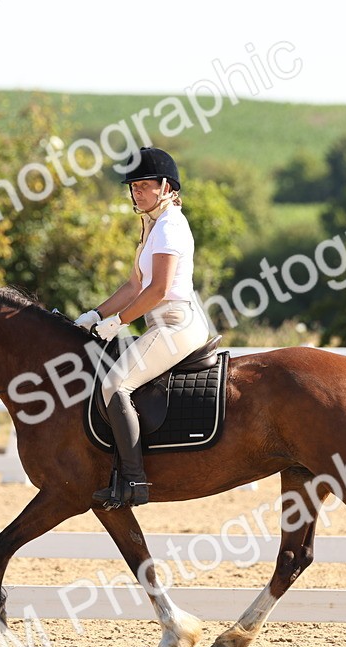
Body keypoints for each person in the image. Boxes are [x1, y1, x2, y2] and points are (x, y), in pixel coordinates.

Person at [73, 147, 210, 508]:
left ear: (167, 187)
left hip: (177, 323)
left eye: (145, 185)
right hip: (158, 321)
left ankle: (134, 480)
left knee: (116, 384)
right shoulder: (151, 226)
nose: (137, 192)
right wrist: (95, 315)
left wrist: (119, 322)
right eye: (133, 186)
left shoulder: (169, 226)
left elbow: (158, 289)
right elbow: (134, 286)